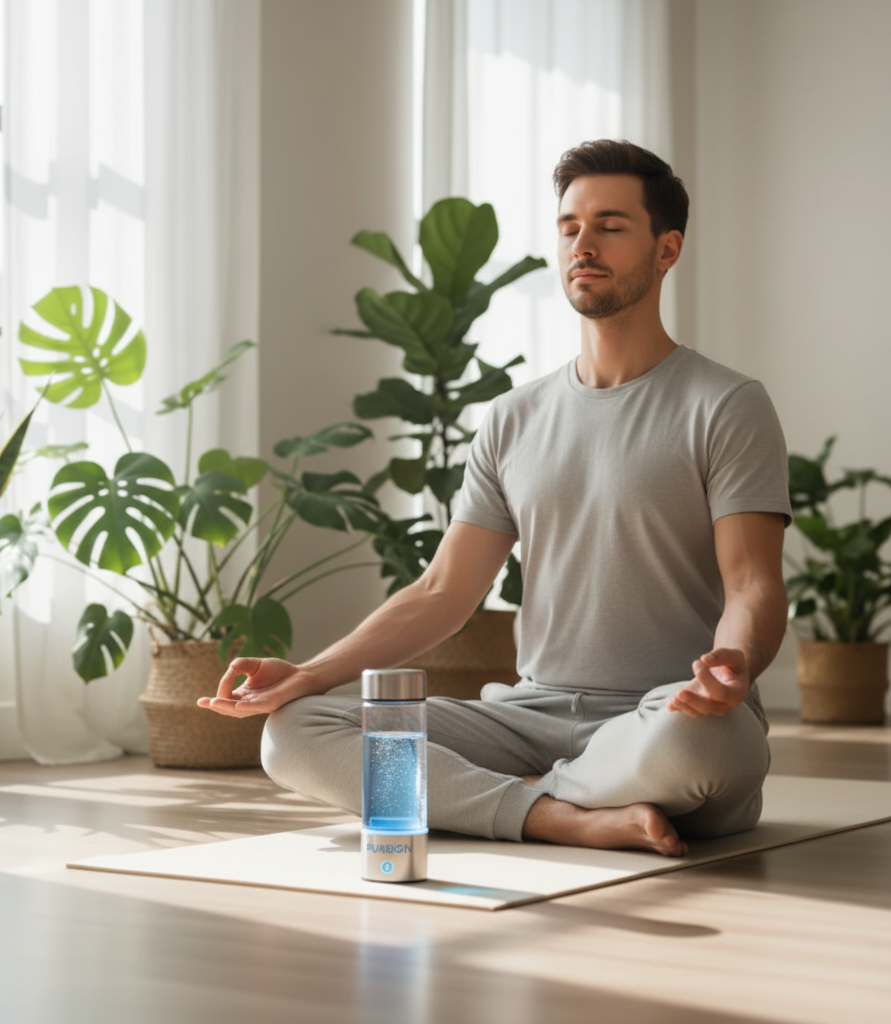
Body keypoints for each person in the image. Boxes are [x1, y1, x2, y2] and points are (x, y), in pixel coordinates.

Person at [199, 139, 791, 858]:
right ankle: (561, 812)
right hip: (526, 717)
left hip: (666, 715)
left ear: (666, 250)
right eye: (570, 226)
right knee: (293, 733)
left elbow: (753, 580)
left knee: (705, 751)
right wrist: (311, 673)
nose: (583, 244)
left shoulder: (725, 404)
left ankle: (502, 794)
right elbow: (444, 590)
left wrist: (730, 662)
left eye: (610, 225)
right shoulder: (513, 418)